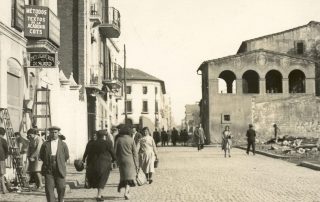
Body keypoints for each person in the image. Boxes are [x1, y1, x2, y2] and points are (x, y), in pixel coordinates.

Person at [83, 130, 115, 201]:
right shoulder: (108, 143)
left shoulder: (92, 143)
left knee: (98, 178)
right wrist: (114, 160)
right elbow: (113, 153)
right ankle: (99, 195)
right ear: (104, 136)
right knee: (102, 179)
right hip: (105, 164)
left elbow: (86, 152)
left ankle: (99, 193)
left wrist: (83, 159)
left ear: (97, 135)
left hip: (94, 164)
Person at [39, 126, 69, 202]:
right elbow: (41, 155)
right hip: (48, 168)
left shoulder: (63, 144)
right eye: (52, 132)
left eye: (55, 132)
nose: (54, 134)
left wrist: (59, 161)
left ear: (58, 133)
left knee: (61, 186)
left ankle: (61, 199)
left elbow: (66, 156)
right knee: (49, 188)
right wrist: (48, 161)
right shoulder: (45, 144)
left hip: (59, 168)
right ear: (49, 133)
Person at [115, 125, 139, 200]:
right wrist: (137, 164)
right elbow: (135, 153)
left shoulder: (118, 139)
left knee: (124, 177)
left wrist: (116, 161)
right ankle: (126, 192)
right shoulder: (131, 140)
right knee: (129, 178)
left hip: (121, 161)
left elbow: (115, 151)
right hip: (130, 161)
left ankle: (124, 189)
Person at [0, 127, 8, 194]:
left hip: (1, 158)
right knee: (1, 175)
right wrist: (5, 156)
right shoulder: (3, 140)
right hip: (1, 159)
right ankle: (4, 189)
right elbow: (6, 150)